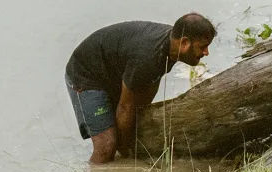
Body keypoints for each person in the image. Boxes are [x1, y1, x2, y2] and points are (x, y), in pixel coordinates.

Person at [65, 13, 215, 163]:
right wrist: (126, 152)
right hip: (86, 75)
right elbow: (125, 107)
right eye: (203, 47)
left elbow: (150, 84)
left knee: (129, 124)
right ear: (184, 43)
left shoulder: (171, 47)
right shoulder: (147, 58)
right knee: (106, 146)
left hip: (115, 71)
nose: (206, 53)